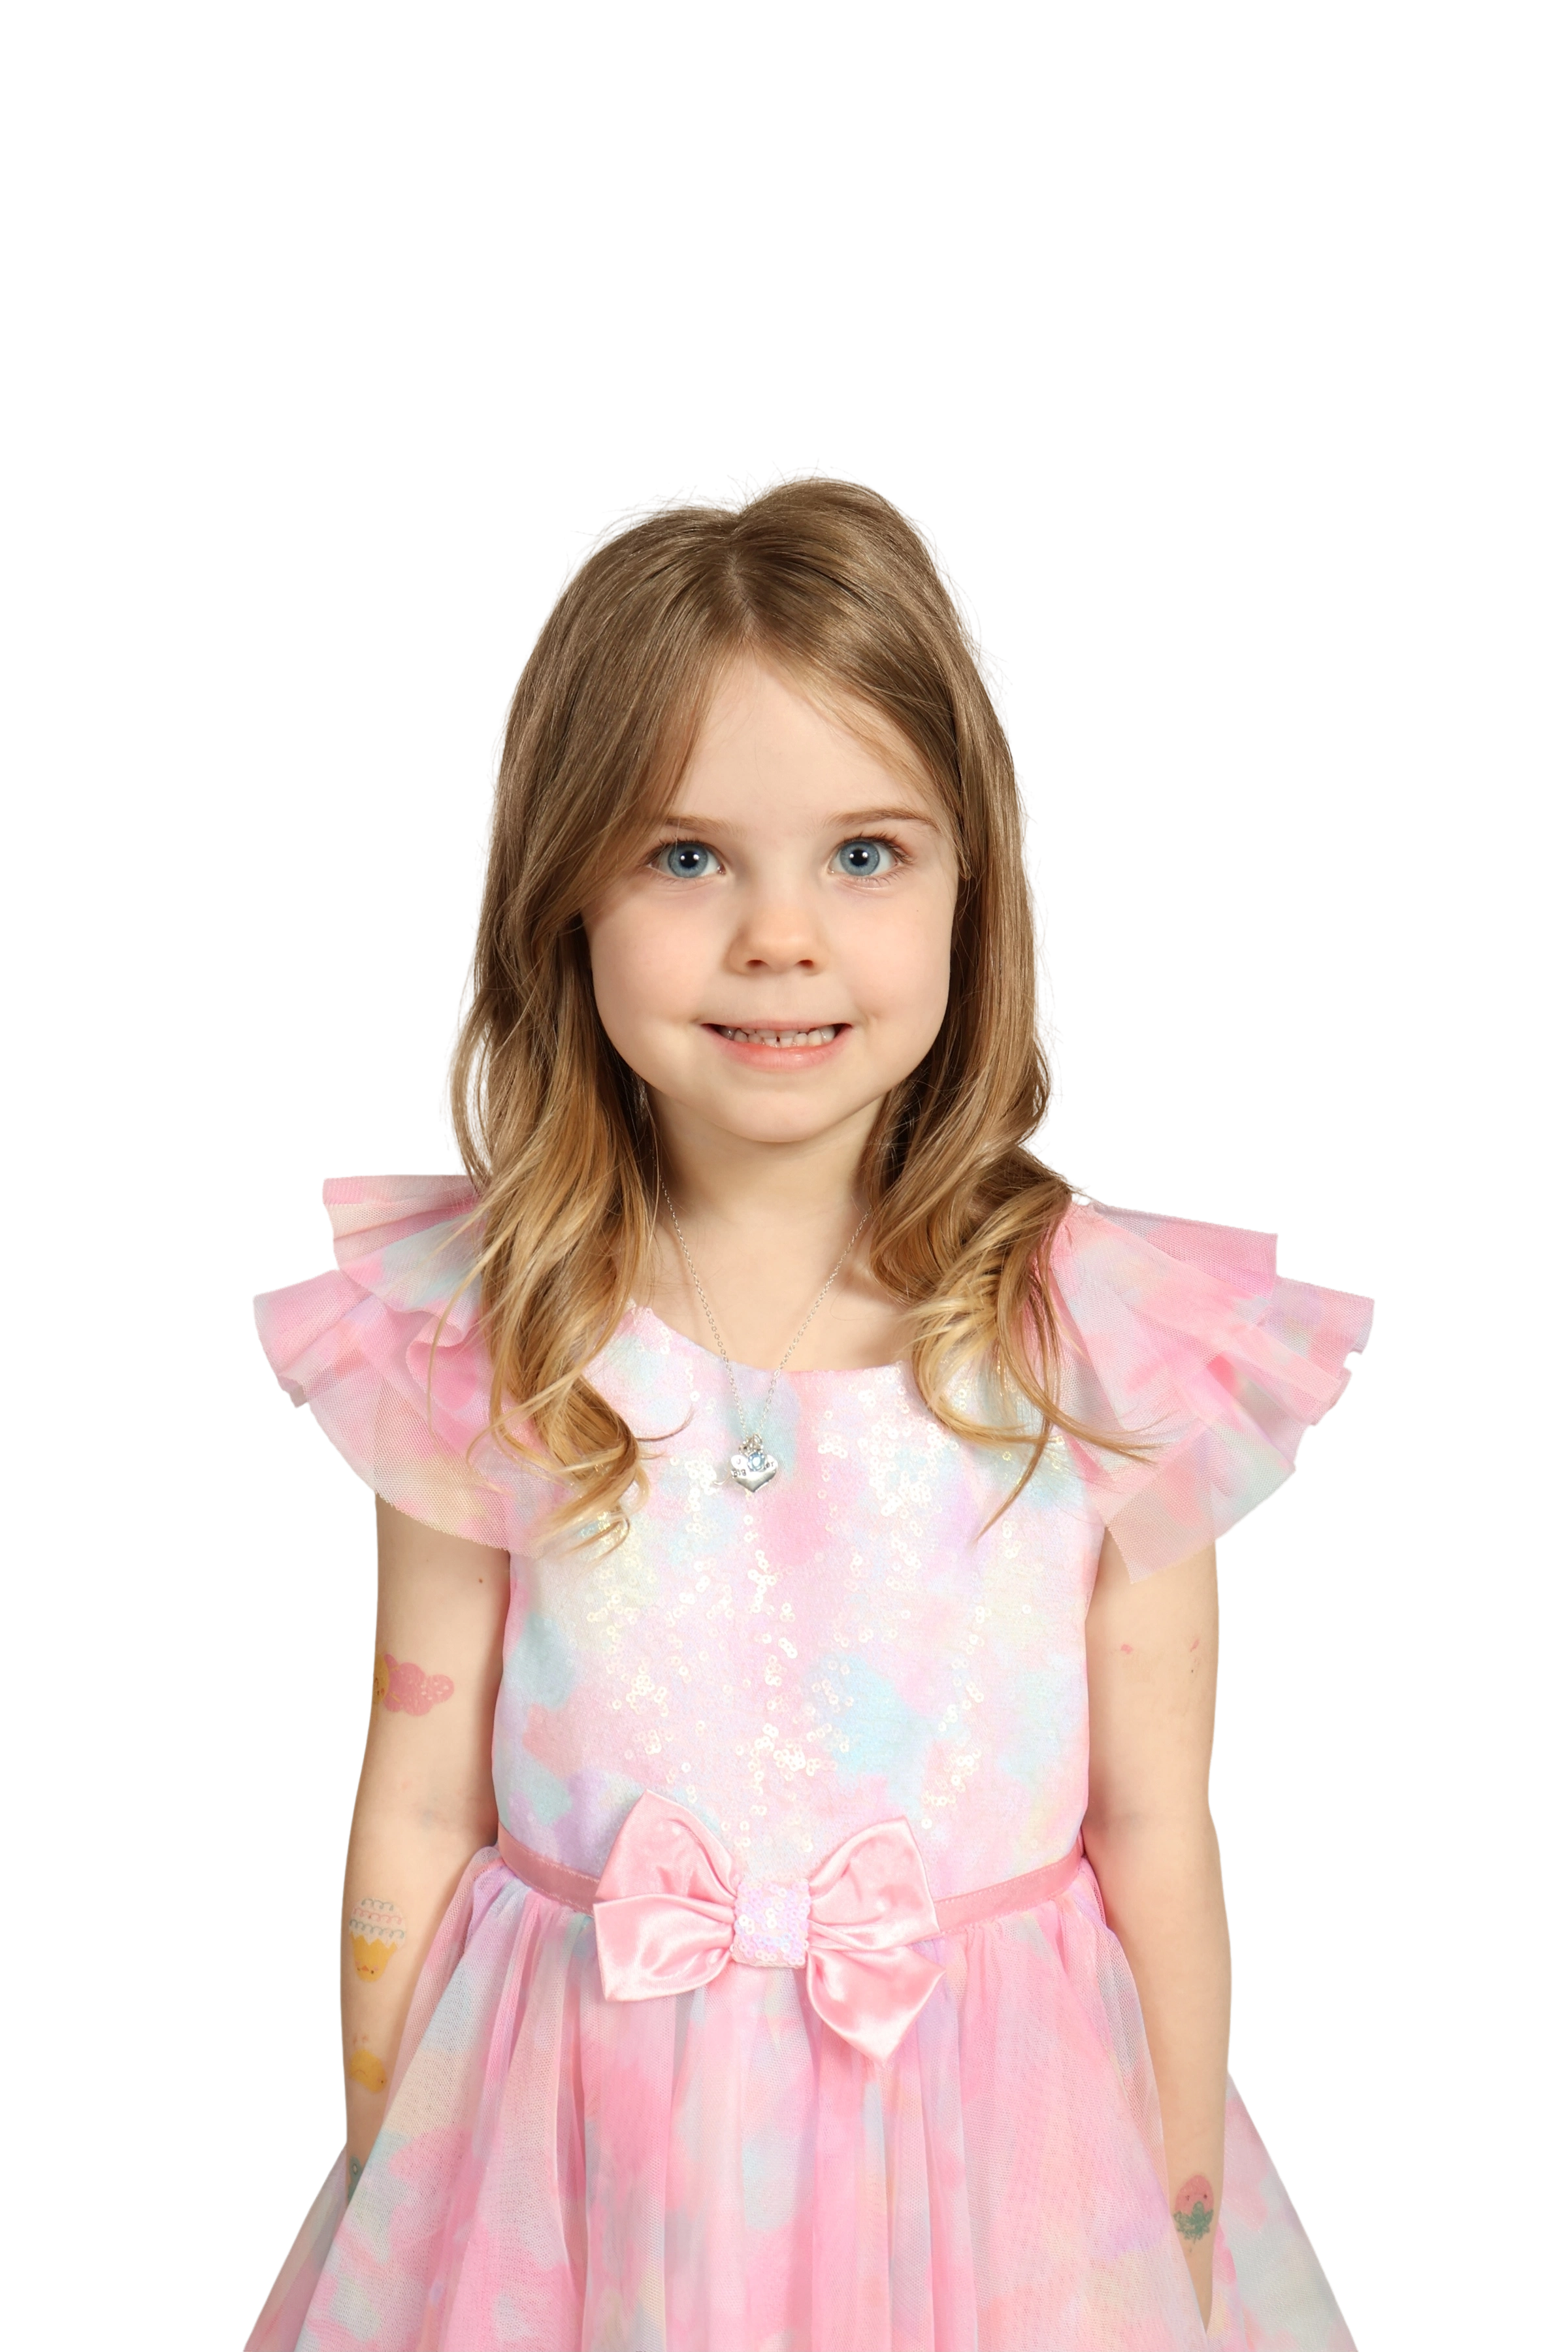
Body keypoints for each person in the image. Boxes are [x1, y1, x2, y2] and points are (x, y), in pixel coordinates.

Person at [243, 463, 1371, 2351]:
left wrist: (1175, 2232)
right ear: (564, 892)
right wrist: (392, 2181)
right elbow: (419, 1808)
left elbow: (1156, 1829)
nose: (781, 935)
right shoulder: (493, 1333)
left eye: (865, 854)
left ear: (971, 886)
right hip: (577, 2181)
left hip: (999, 2192)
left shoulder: (1102, 1347)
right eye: (689, 857)